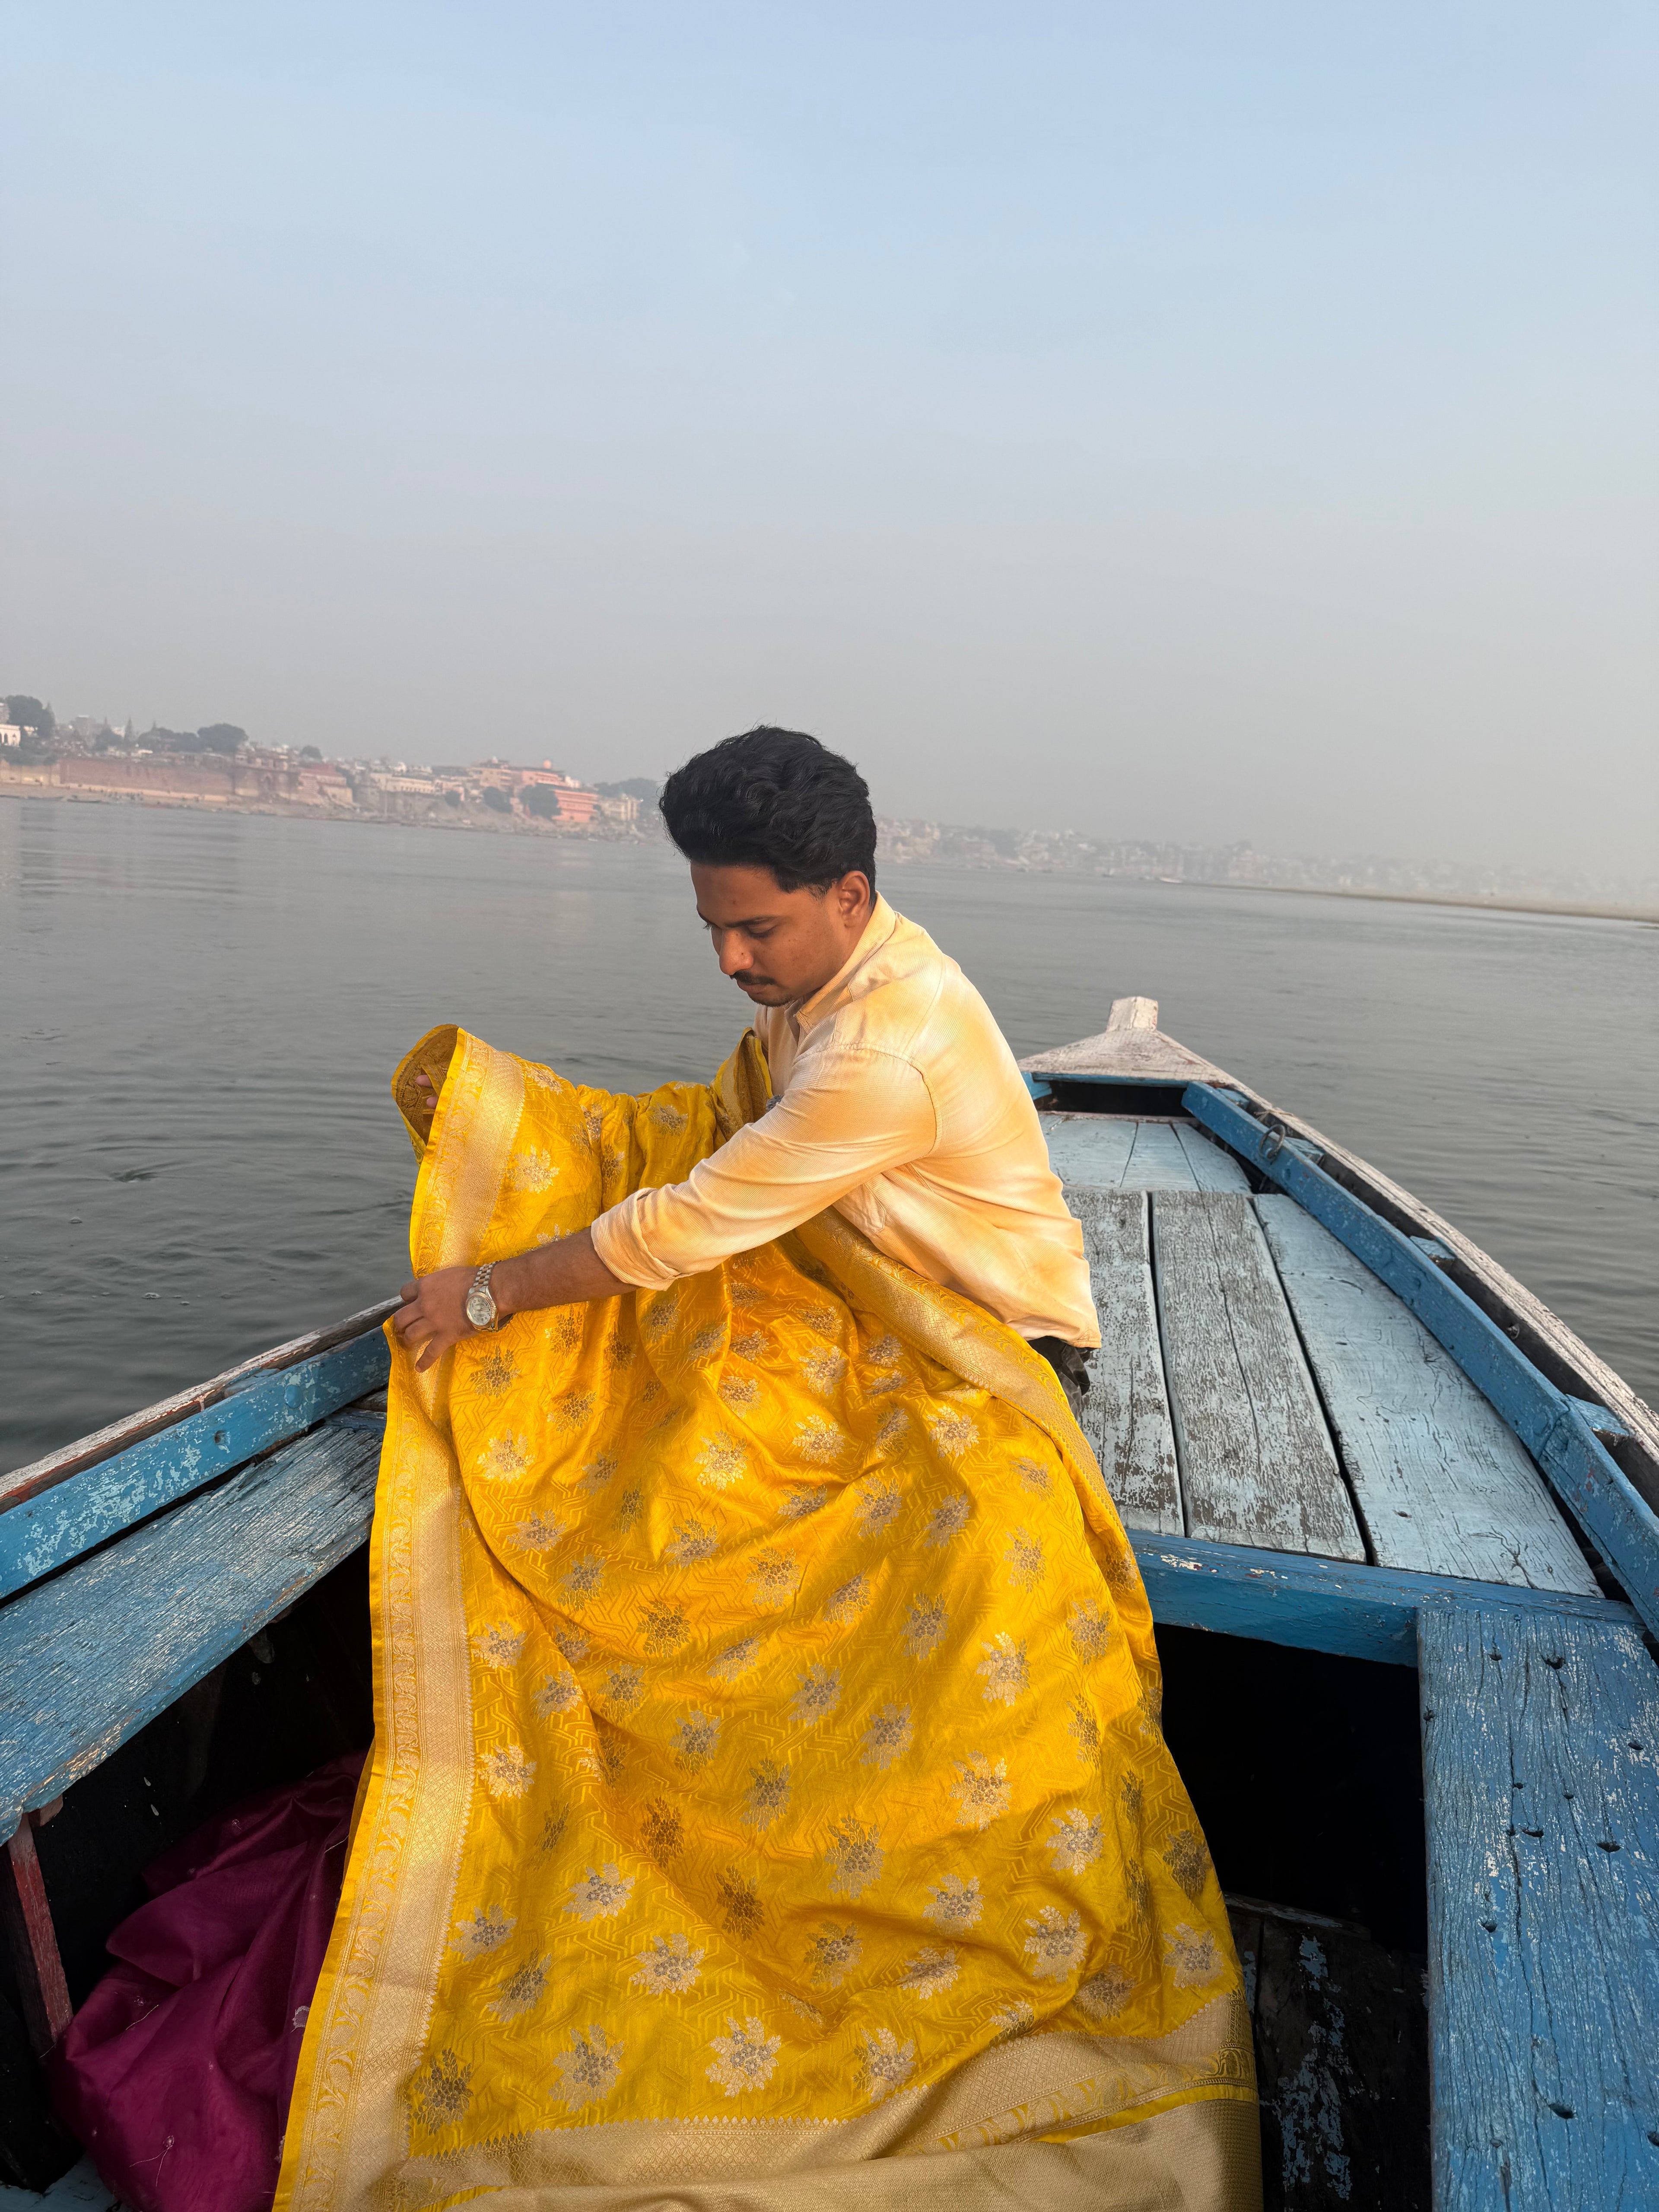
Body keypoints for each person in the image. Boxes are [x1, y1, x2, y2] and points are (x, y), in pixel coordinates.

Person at [395, 728, 1099, 1415]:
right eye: (713, 927)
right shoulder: (815, 979)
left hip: (992, 1340)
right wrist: (490, 1108)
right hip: (878, 1276)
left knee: (681, 1432)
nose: (729, 960)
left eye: (757, 931)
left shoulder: (881, 1051)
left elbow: (690, 1224)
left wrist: (488, 1293)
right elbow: (724, 1123)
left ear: (849, 898)